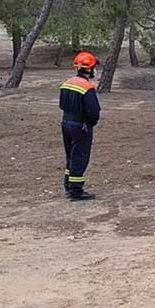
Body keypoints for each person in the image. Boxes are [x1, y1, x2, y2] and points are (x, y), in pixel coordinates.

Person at [60, 52, 101, 201]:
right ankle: (76, 191)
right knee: (80, 156)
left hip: (66, 123)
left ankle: (68, 185)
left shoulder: (66, 83)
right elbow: (94, 112)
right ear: (90, 69)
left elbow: (61, 105)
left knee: (70, 155)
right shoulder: (87, 87)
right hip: (80, 126)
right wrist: (90, 123)